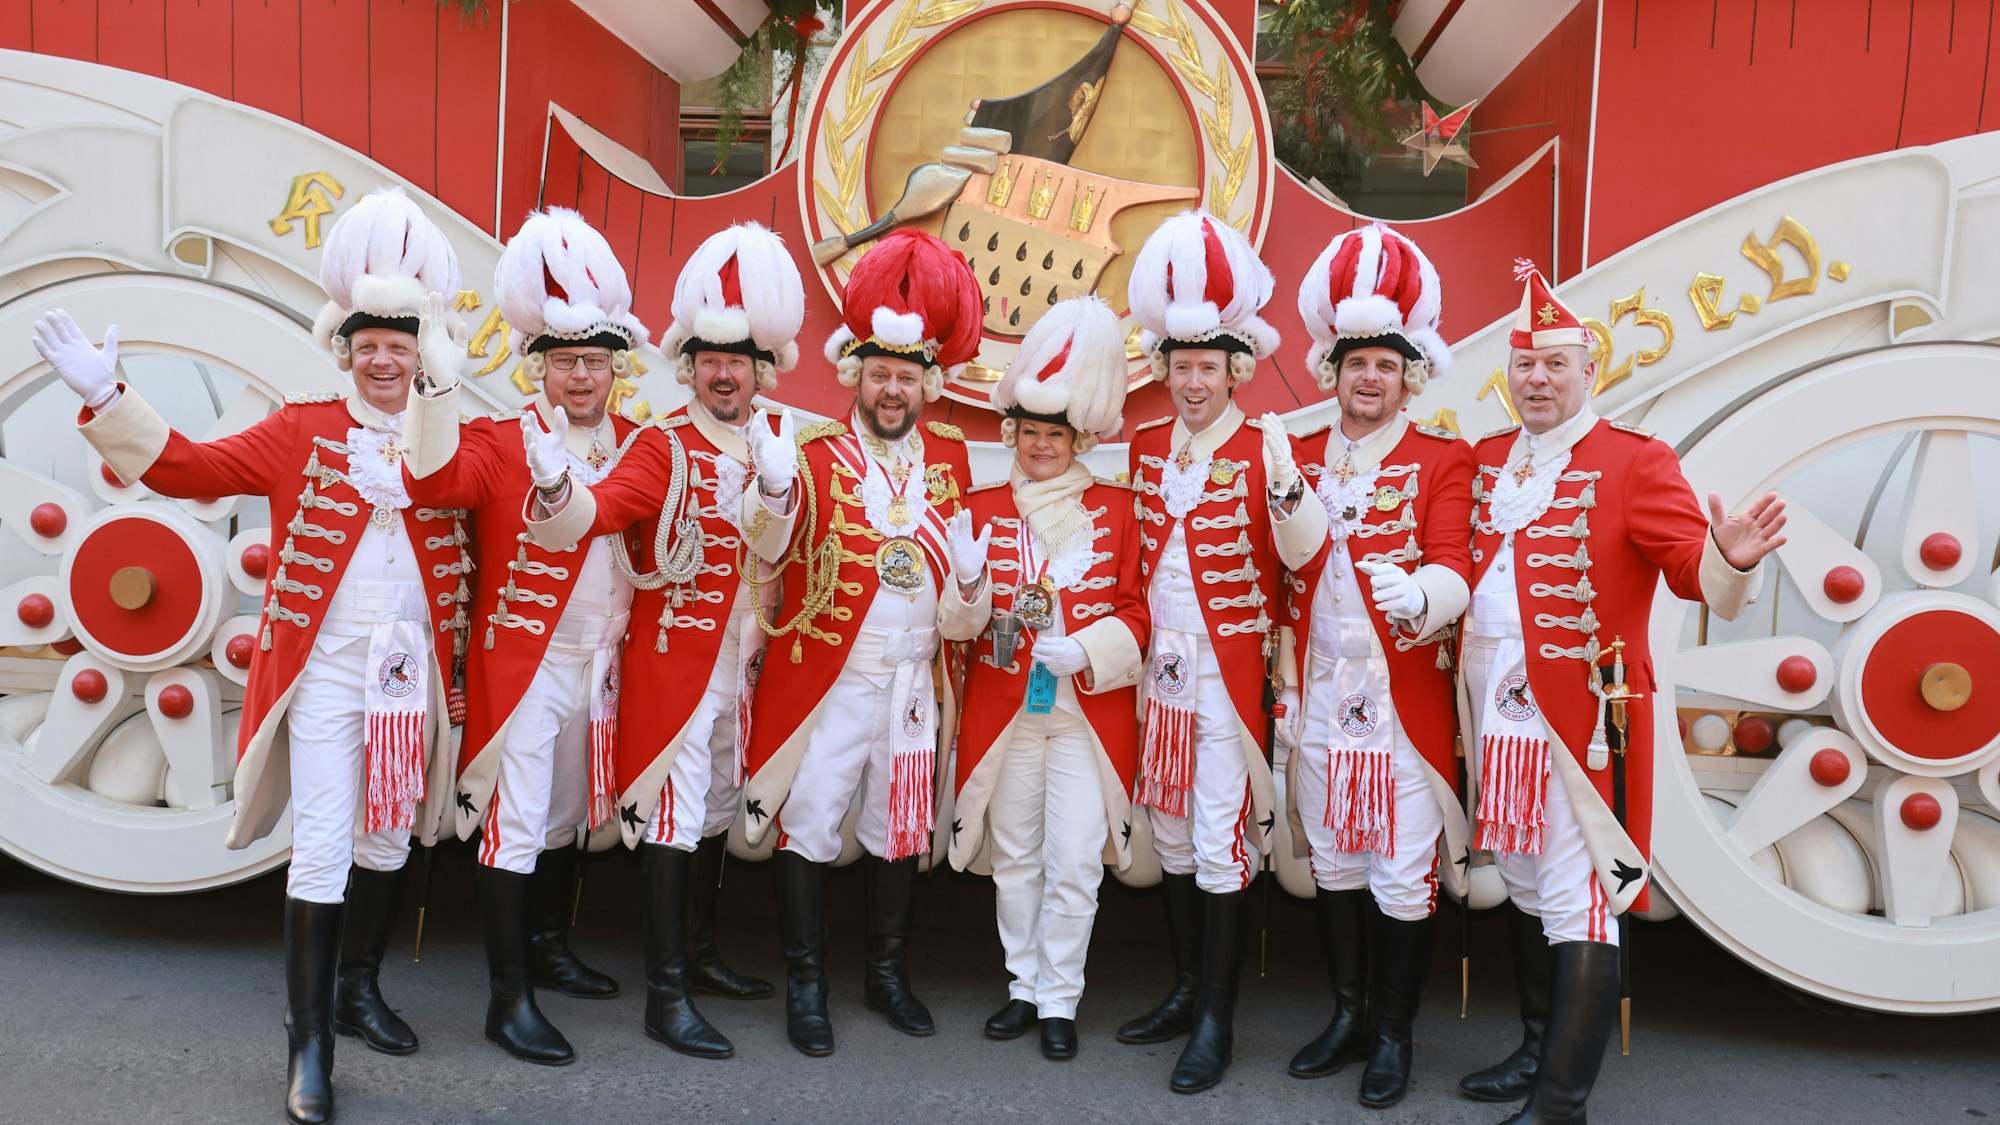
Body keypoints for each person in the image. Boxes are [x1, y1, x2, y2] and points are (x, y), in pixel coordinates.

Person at [34, 186, 469, 1125]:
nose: (383, 360)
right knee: (320, 850)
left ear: (421, 351)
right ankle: (307, 1045)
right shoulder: (300, 429)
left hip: (408, 682)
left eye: (401, 345)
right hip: (321, 678)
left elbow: (481, 494)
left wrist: (431, 425)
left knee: (387, 841)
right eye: (369, 345)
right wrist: (106, 394)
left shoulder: (449, 439)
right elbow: (190, 469)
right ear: (345, 348)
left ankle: (360, 989)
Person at [1458, 260, 1786, 1123]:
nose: (1537, 379)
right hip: (1497, 714)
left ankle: (1561, 1102)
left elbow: (1692, 574)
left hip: (1583, 720)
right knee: (1527, 884)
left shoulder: (1636, 461)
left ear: (1588, 373)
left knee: (1580, 891)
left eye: (1555, 365)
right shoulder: (1492, 459)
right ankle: (1536, 1053)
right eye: (1525, 364)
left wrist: (1733, 554)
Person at [521, 222, 808, 1057]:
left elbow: (784, 547)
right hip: (677, 667)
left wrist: (777, 484)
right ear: (689, 367)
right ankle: (666, 994)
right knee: (679, 820)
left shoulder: (784, 443)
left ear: (763, 370)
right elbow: (596, 516)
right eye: (711, 360)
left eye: (741, 360)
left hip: (746, 667)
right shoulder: (661, 443)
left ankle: (704, 952)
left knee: (718, 808)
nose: (725, 373)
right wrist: (553, 485)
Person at [401, 207, 645, 1065]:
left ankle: (547, 947)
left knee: (569, 816)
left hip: (602, 663)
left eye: (595, 361)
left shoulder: (634, 449)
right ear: (536, 366)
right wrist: (434, 391)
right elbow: (430, 482)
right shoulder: (501, 442)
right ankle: (509, 999)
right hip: (529, 665)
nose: (581, 377)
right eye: (565, 362)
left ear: (617, 368)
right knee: (518, 820)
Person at [737, 228, 984, 1057]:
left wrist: (975, 586)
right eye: (879, 374)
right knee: (808, 824)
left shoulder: (948, 457)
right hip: (832, 680)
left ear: (927, 385)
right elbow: (767, 546)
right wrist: (771, 489)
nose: (891, 390)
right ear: (856, 374)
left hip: (915, 683)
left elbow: (960, 580)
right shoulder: (809, 453)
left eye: (905, 377)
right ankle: (807, 986)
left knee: (897, 828)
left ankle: (885, 976)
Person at [1115, 209, 1328, 1093]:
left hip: (1230, 679)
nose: (1192, 381)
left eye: (1208, 366)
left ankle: (1216, 1021)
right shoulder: (1141, 445)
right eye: (1180, 365)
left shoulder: (1265, 447)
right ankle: (1185, 987)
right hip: (1159, 677)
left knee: (1216, 843)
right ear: (1161, 368)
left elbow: (1302, 556)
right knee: (1168, 837)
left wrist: (1287, 490)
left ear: (1236, 369)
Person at [1279, 224, 1474, 1108]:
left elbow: (1452, 562)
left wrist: (1422, 594)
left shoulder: (1442, 458)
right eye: (1357, 363)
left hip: (1398, 699)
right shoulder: (1294, 454)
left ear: (1410, 377)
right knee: (1335, 862)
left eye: (1387, 367)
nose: (1370, 379)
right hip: (1317, 687)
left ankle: (1394, 1034)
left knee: (1401, 870)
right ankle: (1350, 1014)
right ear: (1334, 369)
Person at [938, 296, 1149, 1061]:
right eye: (1028, 433)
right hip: (1008, 710)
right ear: (1012, 435)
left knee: (1074, 860)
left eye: (1053, 435)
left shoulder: (1118, 510)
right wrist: (963, 587)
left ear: (1078, 438)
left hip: (1085, 715)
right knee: (1017, 855)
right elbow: (957, 631)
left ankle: (1062, 995)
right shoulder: (981, 507)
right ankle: (1023, 986)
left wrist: (1091, 646)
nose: (1039, 447)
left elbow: (1138, 610)